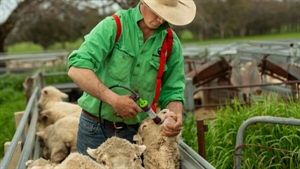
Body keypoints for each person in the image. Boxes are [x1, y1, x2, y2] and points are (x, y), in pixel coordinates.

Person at [67, 0, 196, 156]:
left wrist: (174, 117)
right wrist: (113, 100)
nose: (161, 20)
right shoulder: (114, 26)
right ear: (144, 3)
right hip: (96, 128)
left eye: (166, 15)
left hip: (137, 131)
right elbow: (77, 68)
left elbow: (173, 90)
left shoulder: (170, 42)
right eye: (157, 12)